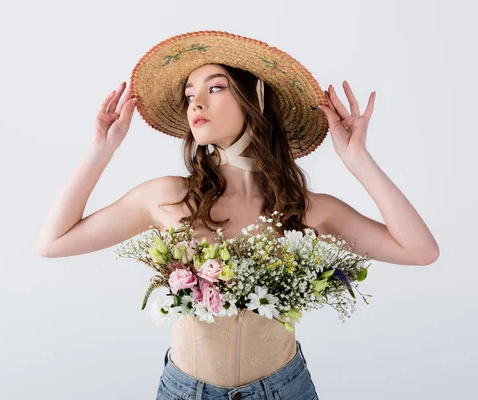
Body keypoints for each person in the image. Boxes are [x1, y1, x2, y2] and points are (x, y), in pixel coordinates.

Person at [34, 31, 440, 400]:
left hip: (284, 390)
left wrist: (357, 158)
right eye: (190, 93)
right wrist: (100, 151)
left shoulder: (306, 208)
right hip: (185, 392)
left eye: (216, 88)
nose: (197, 102)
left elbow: (421, 251)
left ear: (255, 99)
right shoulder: (169, 197)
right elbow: (53, 242)